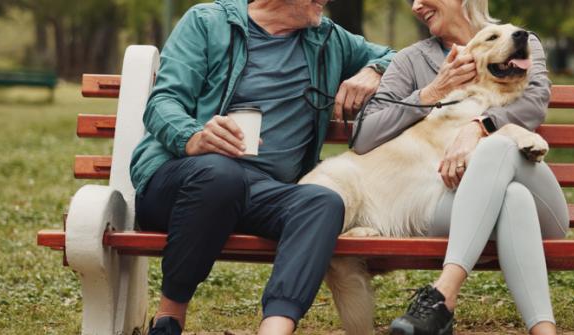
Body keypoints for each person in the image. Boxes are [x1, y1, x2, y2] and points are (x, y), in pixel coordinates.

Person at [128, 0, 395, 334]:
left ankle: (275, 328)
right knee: (221, 176)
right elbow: (163, 102)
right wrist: (193, 136)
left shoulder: (327, 39)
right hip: (185, 179)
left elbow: (399, 57)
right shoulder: (208, 23)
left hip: (262, 192)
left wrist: (376, 69)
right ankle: (169, 319)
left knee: (322, 202)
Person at [351, 0, 567, 334]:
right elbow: (365, 136)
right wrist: (433, 91)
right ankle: (544, 331)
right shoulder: (411, 60)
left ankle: (443, 295)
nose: (416, 5)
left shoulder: (521, 42)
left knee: (498, 144)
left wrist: (478, 127)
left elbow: (534, 101)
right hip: (451, 204)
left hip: (539, 200)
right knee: (512, 199)